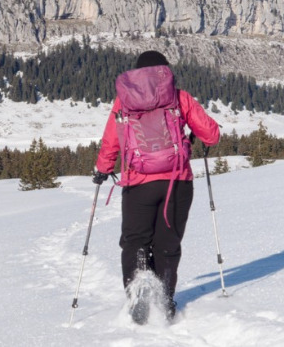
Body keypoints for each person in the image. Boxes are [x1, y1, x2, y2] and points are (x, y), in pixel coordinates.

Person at [92, 50, 220, 320]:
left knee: (135, 241)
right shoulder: (178, 96)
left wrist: (103, 169)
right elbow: (210, 133)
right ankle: (165, 300)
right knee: (167, 244)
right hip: (177, 182)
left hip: (138, 184)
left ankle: (139, 286)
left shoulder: (123, 101)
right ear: (165, 71)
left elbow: (111, 141)